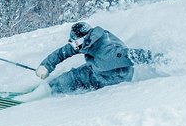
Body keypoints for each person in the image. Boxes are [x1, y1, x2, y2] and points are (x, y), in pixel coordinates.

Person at [22, 21, 152, 101]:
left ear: (82, 39)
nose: (74, 46)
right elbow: (64, 51)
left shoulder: (109, 53)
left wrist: (162, 58)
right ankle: (46, 88)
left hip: (111, 79)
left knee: (74, 79)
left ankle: (47, 92)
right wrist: (46, 65)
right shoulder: (88, 41)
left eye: (75, 42)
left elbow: (133, 55)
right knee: (73, 75)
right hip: (97, 69)